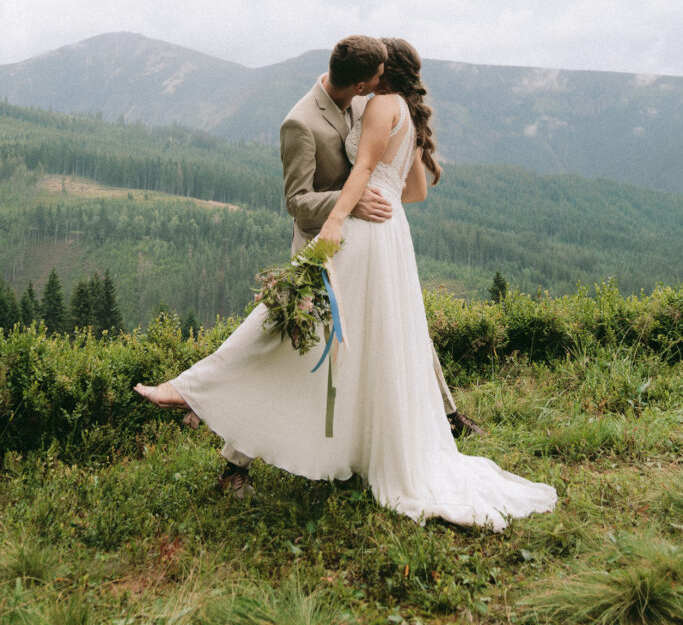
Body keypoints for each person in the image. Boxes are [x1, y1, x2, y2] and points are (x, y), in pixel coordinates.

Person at [136, 37, 557, 530]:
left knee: (318, 338)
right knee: (328, 343)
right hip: (362, 239)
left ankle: (196, 393)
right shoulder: (312, 118)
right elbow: (310, 200)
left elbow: (376, 175)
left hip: (359, 241)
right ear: (364, 78)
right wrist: (364, 201)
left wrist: (360, 203)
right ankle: (211, 415)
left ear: (377, 78)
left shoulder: (375, 103)